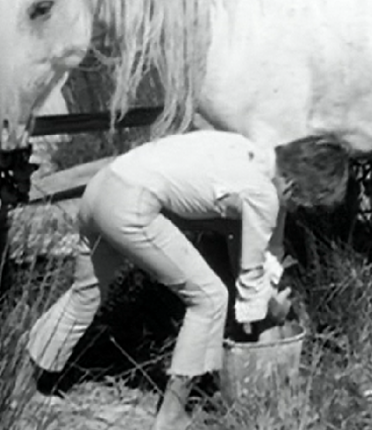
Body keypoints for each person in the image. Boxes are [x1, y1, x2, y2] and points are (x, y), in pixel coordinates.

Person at [25, 130, 351, 430]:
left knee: (85, 295)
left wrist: (272, 284)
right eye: (301, 205)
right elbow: (250, 280)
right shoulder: (262, 193)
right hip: (132, 205)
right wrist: (266, 319)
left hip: (102, 187)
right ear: (294, 188)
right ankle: (172, 413)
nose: (295, 210)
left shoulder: (248, 151)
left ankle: (21, 385)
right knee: (210, 298)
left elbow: (268, 246)